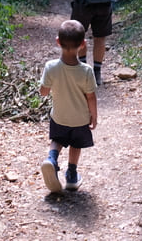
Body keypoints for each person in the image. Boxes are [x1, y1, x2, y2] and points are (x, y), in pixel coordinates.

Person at [39, 19, 98, 193]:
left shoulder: (51, 67)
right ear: (83, 44)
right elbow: (91, 97)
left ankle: (51, 159)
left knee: (57, 140)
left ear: (58, 41)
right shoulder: (86, 70)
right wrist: (94, 116)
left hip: (59, 116)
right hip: (80, 119)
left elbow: (43, 92)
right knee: (76, 144)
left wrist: (46, 85)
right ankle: (71, 175)